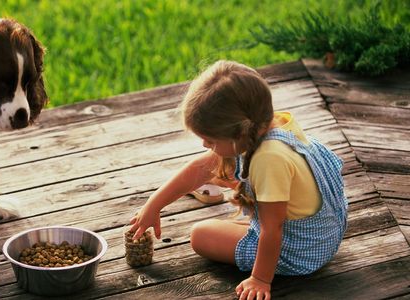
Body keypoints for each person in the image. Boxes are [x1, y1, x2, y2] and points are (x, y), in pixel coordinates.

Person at [129, 60, 348, 300]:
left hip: (304, 252)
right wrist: (154, 204)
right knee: (223, 179)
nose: (205, 145)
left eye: (211, 141)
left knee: (201, 234)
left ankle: (266, 268)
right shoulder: (272, 124)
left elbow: (272, 229)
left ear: (240, 133)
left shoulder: (269, 158)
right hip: (325, 232)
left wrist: (261, 279)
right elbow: (199, 169)